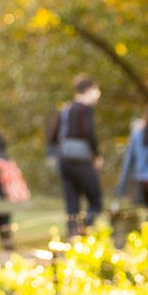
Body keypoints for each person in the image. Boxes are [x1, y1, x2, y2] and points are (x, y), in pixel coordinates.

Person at [47, 75, 103, 237]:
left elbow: (52, 136)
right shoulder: (85, 110)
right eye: (96, 90)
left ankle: (73, 234)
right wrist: (97, 155)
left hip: (64, 160)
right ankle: (85, 228)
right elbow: (89, 132)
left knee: (72, 200)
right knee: (95, 199)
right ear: (88, 90)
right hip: (81, 160)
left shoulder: (65, 109)